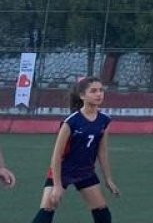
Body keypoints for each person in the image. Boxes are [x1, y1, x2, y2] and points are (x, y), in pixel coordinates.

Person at [29, 76, 119, 223]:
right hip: (62, 171)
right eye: (94, 91)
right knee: (47, 210)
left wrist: (108, 179)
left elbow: (102, 152)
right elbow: (56, 156)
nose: (99, 94)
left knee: (102, 212)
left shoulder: (104, 120)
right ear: (82, 96)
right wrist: (57, 186)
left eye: (101, 90)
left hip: (85, 171)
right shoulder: (71, 121)